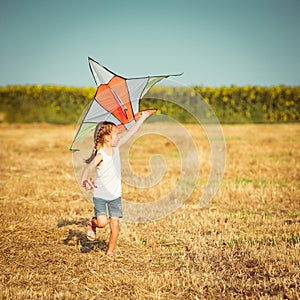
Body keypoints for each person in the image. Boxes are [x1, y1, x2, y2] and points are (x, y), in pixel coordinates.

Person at [81, 112, 149, 257]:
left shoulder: (116, 148)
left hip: (115, 195)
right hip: (100, 195)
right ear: (107, 138)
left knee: (115, 225)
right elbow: (88, 169)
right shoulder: (100, 155)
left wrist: (142, 118)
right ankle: (91, 223)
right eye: (116, 135)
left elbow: (131, 132)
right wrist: (85, 181)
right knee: (102, 223)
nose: (119, 137)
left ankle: (110, 251)